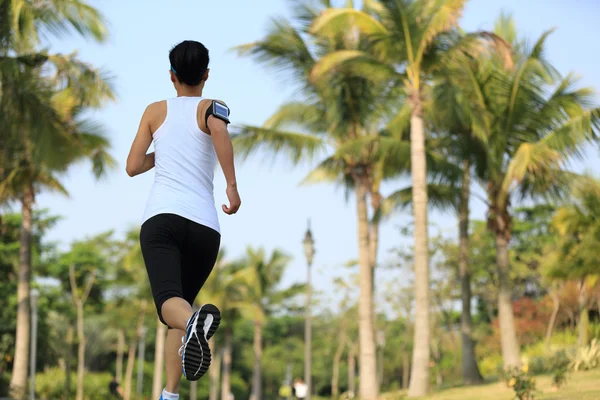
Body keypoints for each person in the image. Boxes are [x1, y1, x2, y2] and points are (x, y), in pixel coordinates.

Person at [126, 40, 241, 400]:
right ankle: (169, 394)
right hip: (205, 228)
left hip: (163, 220)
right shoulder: (213, 107)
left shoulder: (154, 111)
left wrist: (164, 152)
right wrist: (232, 188)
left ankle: (195, 323)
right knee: (182, 304)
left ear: (172, 76)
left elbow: (132, 166)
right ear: (206, 75)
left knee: (169, 306)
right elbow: (219, 131)